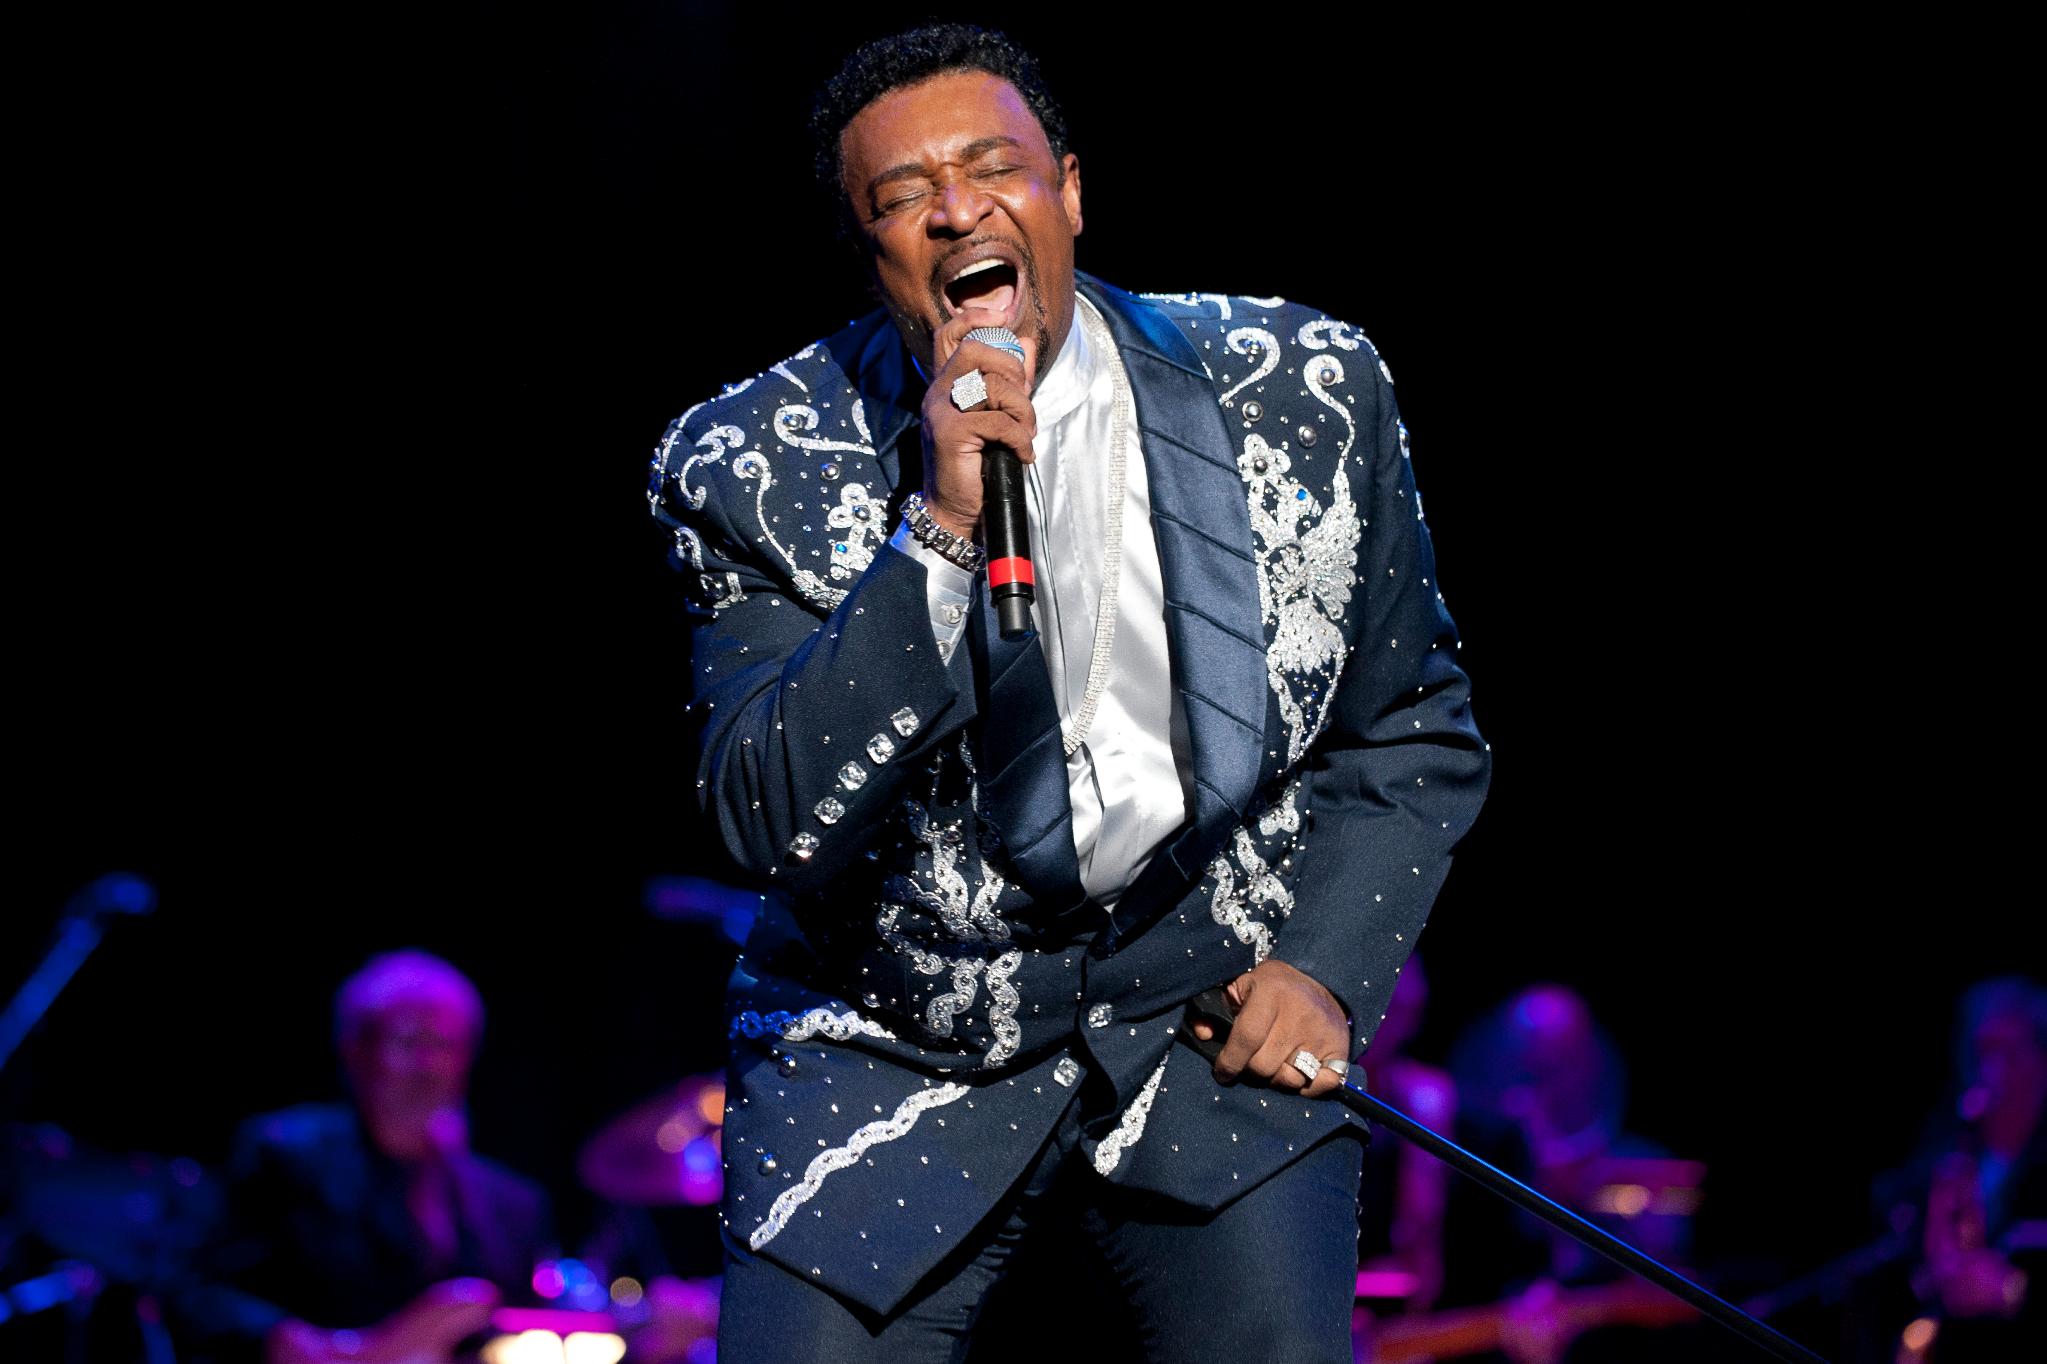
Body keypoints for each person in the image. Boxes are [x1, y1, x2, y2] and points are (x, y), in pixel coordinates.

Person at [645, 23, 1490, 1361]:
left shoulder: (1302, 390)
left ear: (1070, 194)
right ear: (872, 261)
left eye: (994, 168)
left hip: (1206, 1016)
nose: (957, 209)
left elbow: (1409, 728)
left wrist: (1325, 972)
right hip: (888, 1045)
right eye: (901, 197)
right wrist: (933, 528)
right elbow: (767, 818)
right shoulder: (746, 461)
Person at [170, 950, 555, 1364]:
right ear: (356, 1050)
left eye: (444, 1044)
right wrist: (298, 1345)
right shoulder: (283, 1157)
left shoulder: (511, 1206)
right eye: (407, 1042)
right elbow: (197, 1292)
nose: (427, 1066)